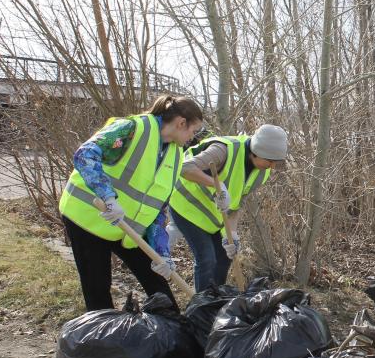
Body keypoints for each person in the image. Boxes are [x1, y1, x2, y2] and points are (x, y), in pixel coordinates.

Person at [59, 94, 204, 311]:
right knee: (97, 288)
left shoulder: (175, 155)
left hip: (127, 228)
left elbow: (158, 208)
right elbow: (85, 154)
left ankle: (175, 338)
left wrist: (162, 254)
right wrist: (107, 197)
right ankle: (103, 339)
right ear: (181, 123)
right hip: (88, 217)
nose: (193, 137)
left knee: (158, 284)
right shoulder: (132, 128)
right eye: (193, 131)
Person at [167, 124, 287, 291]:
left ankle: (215, 299)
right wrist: (217, 186)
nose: (272, 166)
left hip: (213, 217)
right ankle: (202, 308)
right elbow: (185, 168)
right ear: (256, 152)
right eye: (270, 161)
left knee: (225, 256)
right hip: (186, 207)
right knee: (206, 258)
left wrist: (232, 234)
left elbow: (238, 203)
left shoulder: (262, 171)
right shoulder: (224, 150)